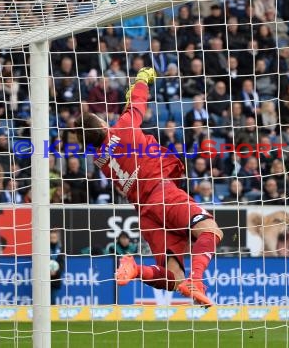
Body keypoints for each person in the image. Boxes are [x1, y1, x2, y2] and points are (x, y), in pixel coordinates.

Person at [76, 68, 223, 307]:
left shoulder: (100, 161)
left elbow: (118, 132)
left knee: (174, 278)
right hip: (162, 193)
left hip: (146, 212)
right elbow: (137, 103)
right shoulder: (123, 129)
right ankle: (196, 280)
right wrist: (141, 80)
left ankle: (136, 269)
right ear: (103, 124)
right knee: (210, 230)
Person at [50, 229, 65, 305]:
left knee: (52, 301)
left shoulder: (60, 249)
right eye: (51, 237)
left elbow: (62, 265)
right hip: (45, 280)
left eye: (54, 237)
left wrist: (56, 271)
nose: (53, 239)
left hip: (56, 280)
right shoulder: (44, 249)